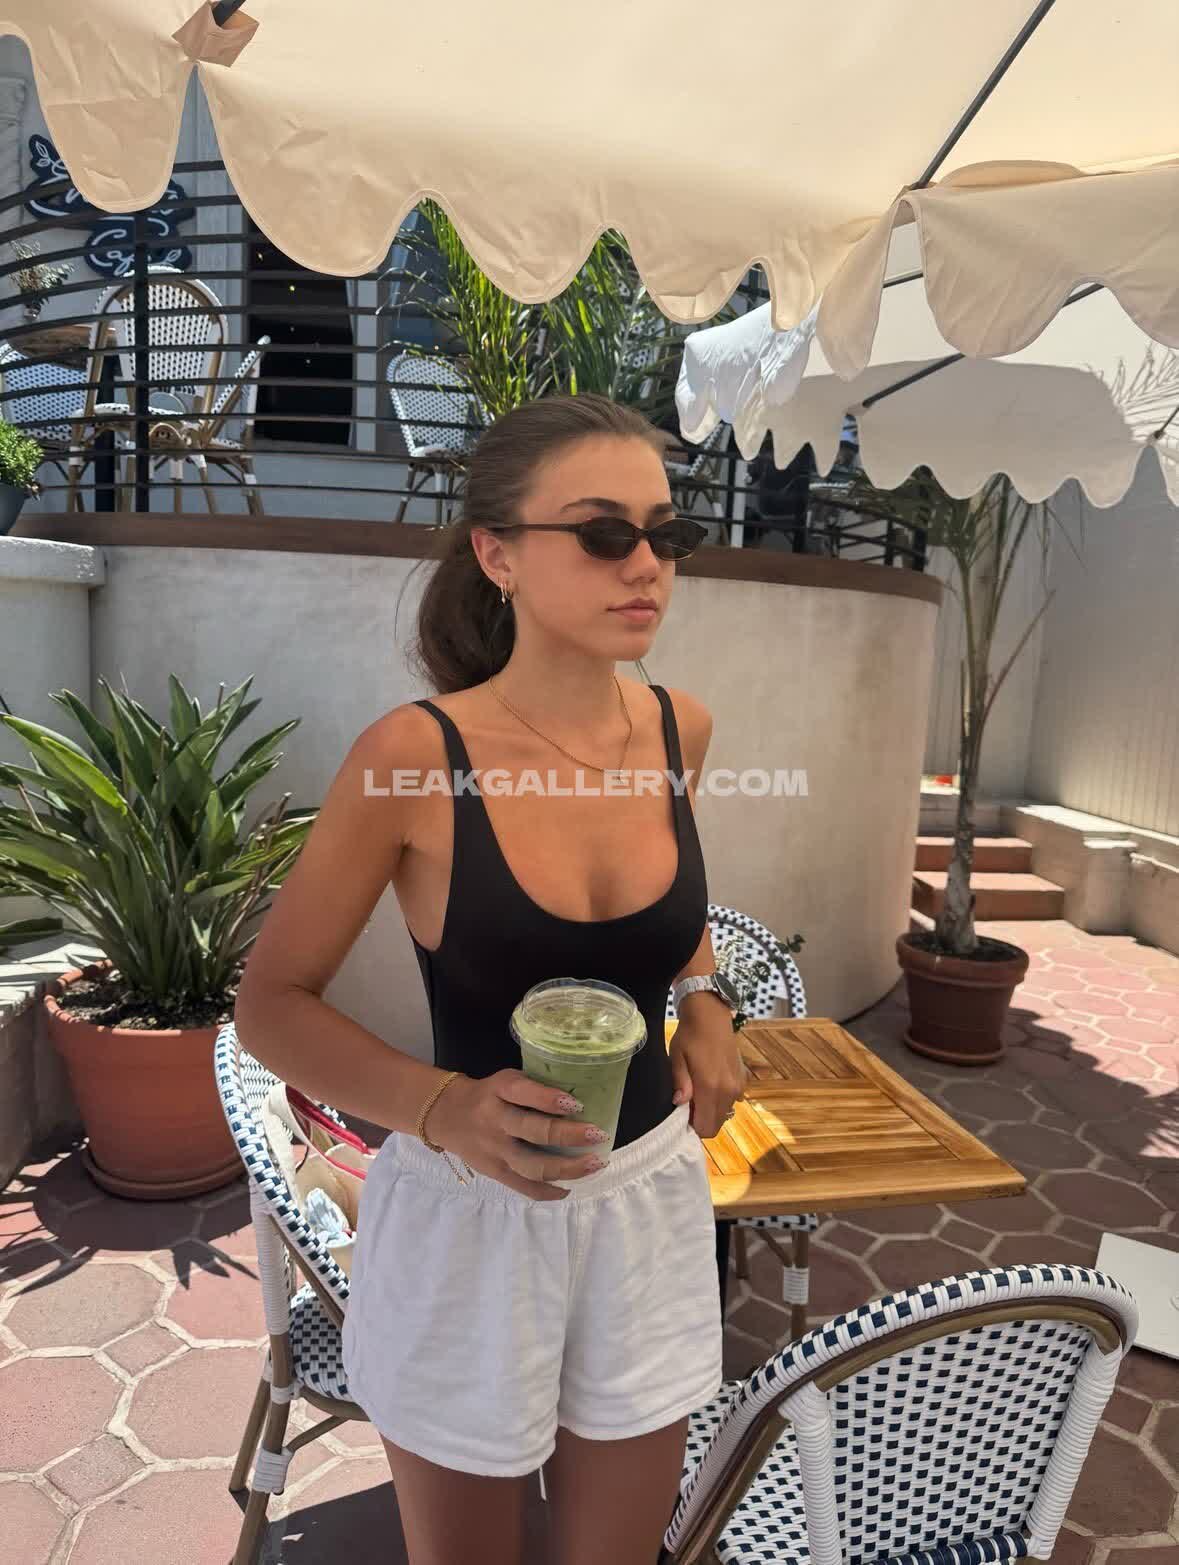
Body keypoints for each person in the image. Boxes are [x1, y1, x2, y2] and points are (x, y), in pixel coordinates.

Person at [234, 393, 747, 1565]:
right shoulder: (415, 757)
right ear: (497, 553)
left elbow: (674, 914)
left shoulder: (683, 729)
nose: (647, 564)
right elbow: (270, 1003)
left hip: (646, 1201)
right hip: (473, 1220)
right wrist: (442, 1106)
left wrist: (707, 999)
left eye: (667, 533)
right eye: (604, 532)